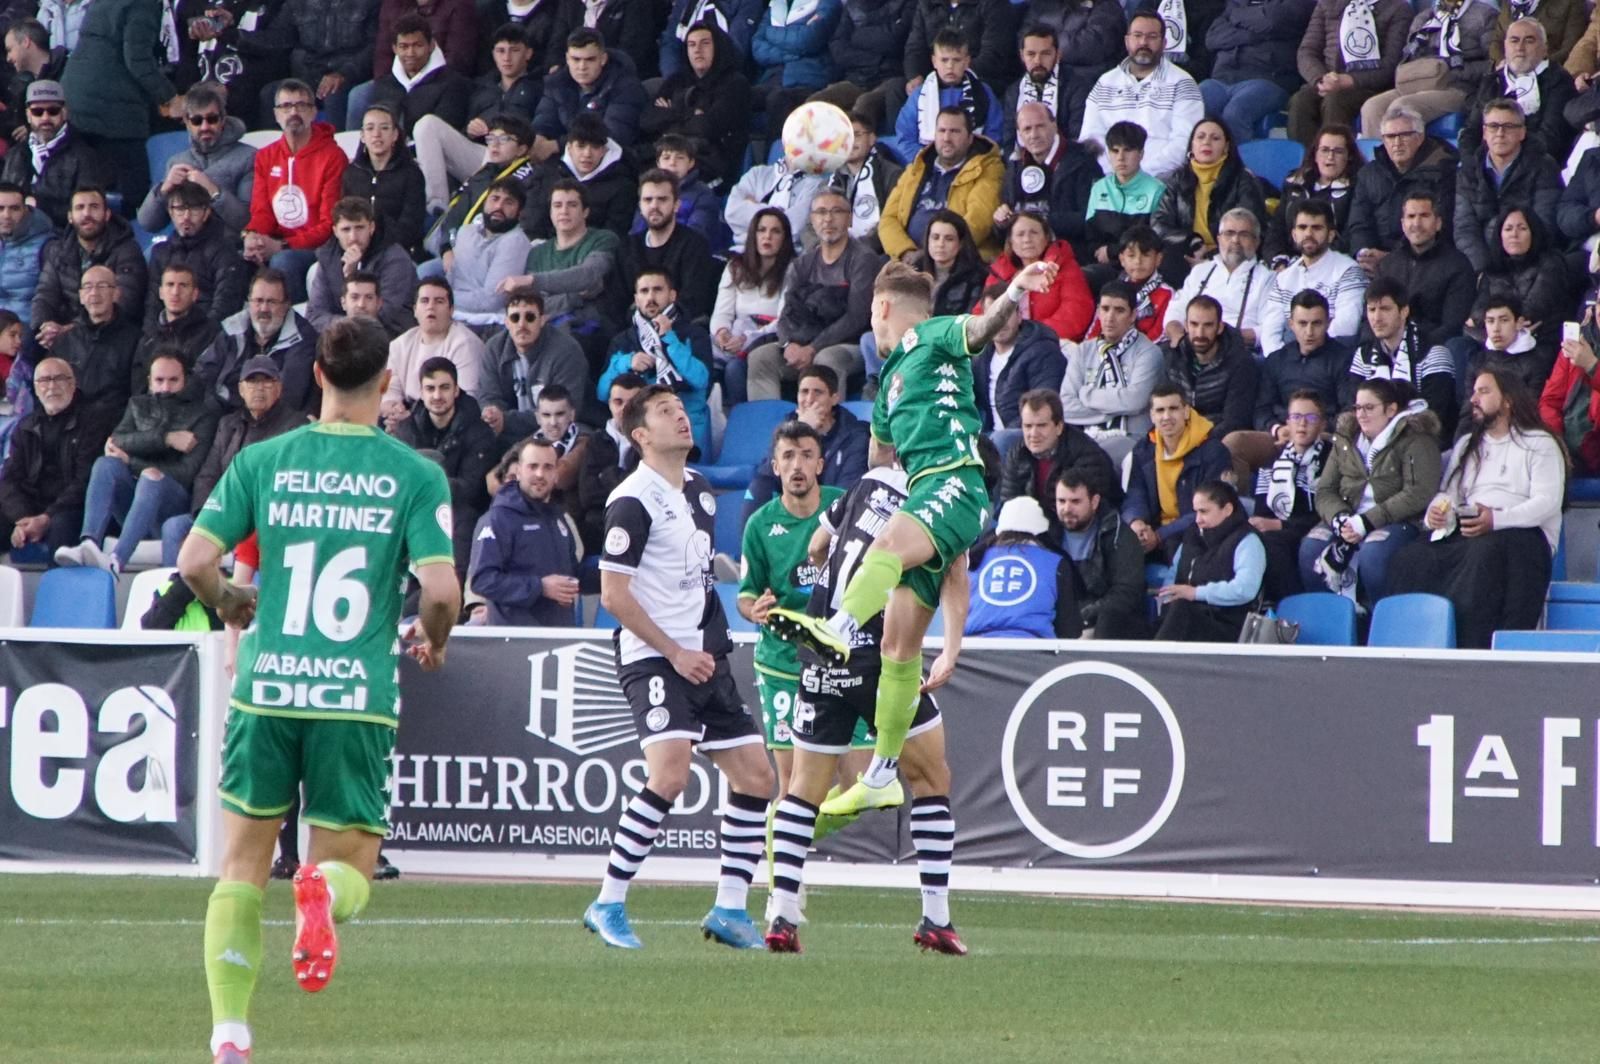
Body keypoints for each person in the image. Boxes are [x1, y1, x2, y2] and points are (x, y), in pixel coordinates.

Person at [177, 316, 459, 1064]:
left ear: (318, 378)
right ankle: (322, 900)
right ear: (388, 382)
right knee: (348, 867)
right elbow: (439, 588)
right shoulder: (415, 472)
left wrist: (232, 604)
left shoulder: (264, 460)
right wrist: (434, 637)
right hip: (353, 698)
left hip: (266, 688)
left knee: (239, 870)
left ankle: (230, 1034)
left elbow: (195, 559)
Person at [763, 258, 1058, 817]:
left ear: (880, 308)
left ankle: (839, 628)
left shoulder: (930, 334)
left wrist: (1015, 288)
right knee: (900, 651)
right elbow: (878, 463)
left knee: (886, 551)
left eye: (873, 314)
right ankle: (881, 773)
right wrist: (952, 647)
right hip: (927, 493)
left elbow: (979, 329)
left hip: (956, 479)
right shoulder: (887, 391)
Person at [582, 384, 776, 952]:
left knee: (756, 778)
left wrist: (733, 606)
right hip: (658, 660)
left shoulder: (700, 489)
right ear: (640, 435)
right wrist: (674, 652)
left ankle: (731, 910)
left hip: (705, 657)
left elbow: (694, 572)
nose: (682, 418)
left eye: (682, 409)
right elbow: (613, 596)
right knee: (669, 775)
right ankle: (608, 901)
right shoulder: (631, 501)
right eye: (666, 413)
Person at [764, 456, 970, 955]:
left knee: (802, 788)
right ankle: (935, 918)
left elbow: (817, 543)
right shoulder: (947, 500)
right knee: (930, 779)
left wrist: (828, 572)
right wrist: (951, 648)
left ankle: (781, 914)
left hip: (821, 643)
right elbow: (955, 578)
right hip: (883, 651)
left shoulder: (869, 480)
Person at [1390, 368, 1565, 648]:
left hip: (1521, 536)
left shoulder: (1540, 443)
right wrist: (1437, 512)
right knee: (1411, 557)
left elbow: (1547, 503)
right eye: (1474, 391)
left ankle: (1475, 647)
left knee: (1483, 553)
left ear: (1508, 400)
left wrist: (1495, 519)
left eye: (1484, 391)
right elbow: (1449, 494)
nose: (1474, 398)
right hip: (1470, 527)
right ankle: (1419, 643)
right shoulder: (1467, 445)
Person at [738, 421, 845, 800]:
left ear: (820, 464)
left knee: (858, 780)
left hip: (840, 661)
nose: (797, 465)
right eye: (788, 456)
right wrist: (755, 611)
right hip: (782, 662)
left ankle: (793, 832)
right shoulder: (760, 524)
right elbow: (746, 595)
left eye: (806, 455)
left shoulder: (844, 507)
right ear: (775, 465)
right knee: (793, 784)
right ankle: (782, 851)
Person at [55, 353, 220, 575]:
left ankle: (116, 560)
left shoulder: (202, 414)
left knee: (151, 476)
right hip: (134, 506)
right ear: (149, 381)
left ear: (185, 380)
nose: (165, 387)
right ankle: (90, 543)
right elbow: (116, 442)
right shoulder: (137, 405)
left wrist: (132, 461)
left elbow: (187, 473)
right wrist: (167, 439)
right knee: (106, 464)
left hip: (173, 506)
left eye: (173, 380)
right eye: (159, 380)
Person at [1300, 376, 1440, 601]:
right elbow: (1325, 490)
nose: (1361, 414)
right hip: (1349, 517)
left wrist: (1367, 521)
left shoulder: (1416, 438)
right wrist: (1340, 518)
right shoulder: (1346, 439)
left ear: (1391, 409)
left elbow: (1418, 492)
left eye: (1369, 407)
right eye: (1357, 408)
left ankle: (1376, 618)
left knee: (1374, 553)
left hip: (1398, 520)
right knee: (1311, 546)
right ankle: (1332, 621)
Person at [159, 356, 308, 566]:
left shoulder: (295, 425)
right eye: (252, 382)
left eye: (266, 381)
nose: (259, 388)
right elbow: (207, 475)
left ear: (279, 387)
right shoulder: (228, 424)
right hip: (223, 511)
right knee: (173, 527)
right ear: (241, 389)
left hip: (262, 517)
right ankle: (175, 593)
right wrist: (207, 515)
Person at [748, 189, 882, 401]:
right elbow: (786, 314)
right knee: (760, 357)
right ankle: (769, 428)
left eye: (836, 211)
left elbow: (857, 317)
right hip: (804, 343)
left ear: (849, 219)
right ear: (812, 220)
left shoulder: (863, 259)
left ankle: (827, 427)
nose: (828, 219)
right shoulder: (802, 263)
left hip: (850, 344)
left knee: (826, 359)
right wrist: (787, 344)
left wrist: (813, 347)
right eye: (821, 212)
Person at [57, 0, 179, 206]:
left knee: (87, 185)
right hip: (113, 110)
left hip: (76, 100)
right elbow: (138, 61)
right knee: (136, 191)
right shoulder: (143, 5)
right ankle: (128, 235)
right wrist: (170, 97)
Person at [1226, 289, 1355, 482]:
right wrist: (1278, 429)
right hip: (1282, 437)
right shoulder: (1277, 360)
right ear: (1291, 324)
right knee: (1234, 443)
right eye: (1302, 323)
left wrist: (1310, 430)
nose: (1309, 332)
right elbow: (1261, 409)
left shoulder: (1344, 359)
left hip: (1325, 437)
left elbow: (1349, 410)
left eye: (1317, 323)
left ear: (1328, 323)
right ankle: (1237, 509)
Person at [391, 355, 501, 576]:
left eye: (444, 388)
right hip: (413, 510)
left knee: (463, 515)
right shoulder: (406, 430)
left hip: (459, 514)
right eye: (430, 389)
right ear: (421, 392)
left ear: (456, 390)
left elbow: (471, 490)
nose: (437, 395)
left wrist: (424, 484)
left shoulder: (478, 432)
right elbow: (397, 482)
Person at [243, 80, 349, 303]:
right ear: (275, 114)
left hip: (317, 247)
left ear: (313, 112)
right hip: (278, 243)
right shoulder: (265, 156)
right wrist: (253, 237)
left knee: (284, 262)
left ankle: (298, 330)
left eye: (301, 106)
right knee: (237, 261)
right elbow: (262, 212)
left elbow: (329, 225)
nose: (293, 112)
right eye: (286, 106)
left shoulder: (332, 156)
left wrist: (282, 246)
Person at [0, 357, 116, 555]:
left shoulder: (94, 421)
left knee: (61, 526)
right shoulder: (25, 426)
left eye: (59, 378)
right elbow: (9, 479)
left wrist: (46, 518)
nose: (51, 386)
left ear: (73, 384)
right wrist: (23, 518)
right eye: (44, 381)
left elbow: (84, 481)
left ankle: (59, 584)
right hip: (31, 507)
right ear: (35, 388)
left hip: (72, 507)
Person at [597, 269, 715, 456]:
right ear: (636, 299)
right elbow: (603, 393)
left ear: (672, 295)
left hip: (689, 434)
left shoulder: (695, 334)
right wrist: (626, 363)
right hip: (639, 436)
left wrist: (670, 341)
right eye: (644, 291)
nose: (650, 297)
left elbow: (701, 380)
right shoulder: (623, 340)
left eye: (657, 290)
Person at [471, 435, 584, 625]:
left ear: (556, 474)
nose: (540, 474)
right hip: (514, 640)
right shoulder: (498, 519)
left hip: (560, 639)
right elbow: (483, 580)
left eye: (548, 467)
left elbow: (573, 571)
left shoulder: (559, 518)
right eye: (533, 466)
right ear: (519, 472)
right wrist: (540, 587)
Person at [1079, 12, 1205, 181]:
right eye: (1137, 36)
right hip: (1108, 180)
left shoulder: (1182, 82)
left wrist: (1139, 176)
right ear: (1126, 41)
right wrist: (1114, 174)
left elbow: (1184, 144)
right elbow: (1091, 139)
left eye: (1152, 37)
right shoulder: (1105, 83)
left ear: (1164, 43)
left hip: (1161, 180)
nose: (1143, 42)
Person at [509, 180, 621, 366]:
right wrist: (573, 297)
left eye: (572, 205)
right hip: (545, 324)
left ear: (585, 211)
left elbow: (588, 275)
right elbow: (535, 305)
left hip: (589, 328)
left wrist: (533, 281)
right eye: (557, 205)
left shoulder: (603, 239)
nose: (564, 211)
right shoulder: (538, 252)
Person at [1060, 280, 1167, 467]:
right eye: (1105, 308)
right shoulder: (1083, 351)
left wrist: (1087, 394)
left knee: (1093, 459)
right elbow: (1066, 407)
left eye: (1119, 310)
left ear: (1133, 315)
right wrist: (1115, 410)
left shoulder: (1149, 353)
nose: (1110, 317)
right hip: (1083, 435)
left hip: (1131, 438)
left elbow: (1135, 401)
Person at [1356, 0, 1498, 137]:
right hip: (1417, 84)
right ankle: (1381, 160)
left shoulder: (1485, 15)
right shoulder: (1425, 17)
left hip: (1457, 88)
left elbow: (1493, 64)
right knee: (1372, 107)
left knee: (1402, 107)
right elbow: (1409, 56)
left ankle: (1408, 159)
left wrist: (1454, 72)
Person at [1151, 119, 1269, 284]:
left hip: (1229, 252)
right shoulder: (1174, 180)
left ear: (1226, 147)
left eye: (1215, 138)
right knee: (1168, 259)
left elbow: (1247, 229)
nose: (1206, 142)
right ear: (1192, 144)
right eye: (1200, 137)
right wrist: (1192, 241)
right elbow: (1159, 225)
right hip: (1188, 250)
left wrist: (1211, 257)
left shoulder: (1243, 180)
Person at [742, 365, 870, 517]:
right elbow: (768, 475)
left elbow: (847, 491)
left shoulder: (855, 435)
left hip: (833, 520)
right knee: (758, 485)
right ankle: (750, 539)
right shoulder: (786, 427)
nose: (809, 399)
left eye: (818, 392)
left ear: (834, 398)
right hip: (794, 512)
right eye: (804, 392)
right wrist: (802, 429)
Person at [879, 106, 1003, 262]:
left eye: (954, 132)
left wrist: (934, 256)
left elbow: (978, 222)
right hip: (910, 258)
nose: (946, 138)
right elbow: (888, 219)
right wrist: (906, 252)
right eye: (942, 131)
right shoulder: (916, 169)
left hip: (961, 260)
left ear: (970, 138)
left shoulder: (988, 168)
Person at [1123, 383, 1234, 557]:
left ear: (1186, 411)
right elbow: (1135, 493)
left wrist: (1160, 535)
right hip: (1155, 531)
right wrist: (1137, 522)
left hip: (1199, 535)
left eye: (1173, 408)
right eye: (1160, 411)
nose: (1166, 417)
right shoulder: (1143, 450)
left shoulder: (1213, 451)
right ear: (1151, 416)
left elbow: (1210, 509)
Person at [1454, 99, 1563, 273]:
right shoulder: (1468, 170)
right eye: (1493, 126)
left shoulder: (1543, 166)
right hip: (1482, 265)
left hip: (1529, 262)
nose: (1500, 133)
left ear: (1522, 132)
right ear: (1484, 132)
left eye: (1508, 126)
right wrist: (1483, 270)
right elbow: (1464, 227)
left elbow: (1544, 224)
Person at [638, 21, 751, 187]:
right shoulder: (677, 79)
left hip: (709, 162)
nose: (697, 50)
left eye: (705, 43)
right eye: (691, 45)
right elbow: (647, 120)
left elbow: (707, 127)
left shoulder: (735, 83)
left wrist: (669, 114)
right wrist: (690, 114)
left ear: (718, 47)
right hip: (665, 156)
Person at [195, 270, 322, 415]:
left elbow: (290, 396)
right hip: (222, 415)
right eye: (258, 301)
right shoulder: (233, 328)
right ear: (249, 301)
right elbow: (202, 374)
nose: (264, 309)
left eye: (272, 302)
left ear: (286, 304)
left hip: (273, 421)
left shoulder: (303, 338)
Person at [1346, 102, 1460, 265]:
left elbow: (1442, 226)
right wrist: (1364, 253)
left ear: (1419, 137)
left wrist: (1391, 260)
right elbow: (1359, 222)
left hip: (1425, 261)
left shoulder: (1443, 171)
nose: (1397, 143)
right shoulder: (1369, 174)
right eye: (1390, 137)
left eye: (1404, 135)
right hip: (1372, 263)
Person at [137, 84, 258, 235]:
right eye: (197, 120)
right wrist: (163, 190)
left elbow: (247, 221)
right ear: (187, 122)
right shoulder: (177, 161)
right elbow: (148, 224)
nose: (205, 126)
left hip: (229, 248)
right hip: (185, 248)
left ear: (223, 120)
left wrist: (212, 190)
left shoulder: (249, 157)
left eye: (212, 119)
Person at [246, 0, 386, 131]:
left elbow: (374, 47)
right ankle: (278, 152)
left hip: (349, 76)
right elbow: (276, 39)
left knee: (333, 94)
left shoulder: (369, 2)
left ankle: (336, 152)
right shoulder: (296, 4)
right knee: (271, 93)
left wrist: (344, 73)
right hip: (309, 75)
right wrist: (236, 36)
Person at [1288, 0, 1410, 146]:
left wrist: (1348, 80)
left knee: (1335, 100)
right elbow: (1306, 52)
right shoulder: (1327, 4)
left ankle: (1338, 163)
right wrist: (1320, 79)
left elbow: (1391, 65)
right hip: (1326, 79)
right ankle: (1305, 165)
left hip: (1369, 85)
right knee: (1300, 101)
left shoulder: (1398, 8)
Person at [31, 186, 147, 339]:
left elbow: (124, 303)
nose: (87, 214)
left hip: (111, 333)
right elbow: (45, 295)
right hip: (64, 333)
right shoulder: (58, 250)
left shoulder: (127, 249)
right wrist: (44, 326)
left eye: (94, 207)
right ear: (70, 217)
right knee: (28, 341)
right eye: (80, 208)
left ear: (107, 214)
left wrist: (69, 330)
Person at [1345, 277, 1457, 435]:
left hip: (1421, 443)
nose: (1377, 318)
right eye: (1372, 310)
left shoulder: (1432, 353)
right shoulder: (1363, 355)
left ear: (1404, 311)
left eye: (1385, 309)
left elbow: (1436, 415)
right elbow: (1353, 407)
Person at [1155, 479, 1264, 640]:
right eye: (1196, 512)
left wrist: (1196, 593)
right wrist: (1166, 596)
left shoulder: (1247, 541)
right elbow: (1172, 577)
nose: (1198, 519)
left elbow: (1245, 589)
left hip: (1227, 625)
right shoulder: (1191, 536)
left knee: (1181, 609)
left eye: (1204, 511)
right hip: (1183, 619)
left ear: (1227, 509)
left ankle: (1155, 662)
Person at [1250, 389, 1331, 601]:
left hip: (1315, 528)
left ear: (1322, 424)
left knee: (1272, 542)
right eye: (1296, 417)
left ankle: (1292, 604)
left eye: (1310, 417)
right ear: (1287, 422)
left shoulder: (1332, 458)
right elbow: (1261, 510)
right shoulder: (1274, 460)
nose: (1302, 424)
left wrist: (1282, 525)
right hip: (1278, 530)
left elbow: (1327, 509)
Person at [480, 288, 591, 442]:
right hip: (507, 432)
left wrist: (506, 420)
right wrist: (492, 415)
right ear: (506, 322)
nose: (522, 324)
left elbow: (566, 410)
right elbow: (489, 396)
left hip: (559, 432)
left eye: (530, 317)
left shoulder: (567, 350)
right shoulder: (494, 348)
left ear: (542, 320)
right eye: (515, 318)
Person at [1256, 200, 1367, 353]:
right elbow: (1270, 330)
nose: (1308, 233)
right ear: (1294, 235)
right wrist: (1280, 361)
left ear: (1330, 235)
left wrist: (1307, 356)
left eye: (1316, 228)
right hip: (1287, 361)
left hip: (1330, 358)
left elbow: (1346, 326)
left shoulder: (1348, 271)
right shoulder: (1284, 278)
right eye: (1302, 227)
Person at [1200, 0, 1318, 142]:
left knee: (1235, 112)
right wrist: (1254, 35)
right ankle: (1192, 164)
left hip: (1269, 79)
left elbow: (1272, 21)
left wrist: (1236, 18)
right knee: (1193, 105)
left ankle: (1237, 164)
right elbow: (1212, 38)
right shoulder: (1236, 2)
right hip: (1222, 78)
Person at [1461, 19, 1577, 163]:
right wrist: (1474, 165)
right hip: (1487, 165)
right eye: (1514, 41)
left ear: (1544, 48)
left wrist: (1504, 163)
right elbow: (1471, 131)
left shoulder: (1559, 81)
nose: (1520, 48)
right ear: (1505, 46)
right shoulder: (1492, 81)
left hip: (1537, 168)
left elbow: (1551, 139)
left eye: (1529, 41)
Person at [1370, 191, 1475, 349]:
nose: (1417, 224)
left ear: (1438, 223)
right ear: (1402, 223)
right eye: (1411, 217)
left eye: (1424, 216)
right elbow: (1372, 314)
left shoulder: (1458, 265)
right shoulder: (1387, 265)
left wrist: (1412, 347)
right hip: (1387, 349)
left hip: (1433, 350)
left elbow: (1452, 326)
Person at [966, 495, 1081, 638]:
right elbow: (1070, 630)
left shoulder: (974, 560)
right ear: (1042, 531)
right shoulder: (1056, 562)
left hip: (973, 652)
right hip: (1033, 654)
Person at [1054, 468, 1149, 638]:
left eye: (1075, 501)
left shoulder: (1118, 534)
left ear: (1094, 501)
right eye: (1061, 501)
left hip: (1103, 626)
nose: (1066, 508)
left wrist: (1082, 617)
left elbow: (1126, 593)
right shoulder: (1047, 533)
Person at [712, 207, 793, 406]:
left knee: (734, 369)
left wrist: (746, 339)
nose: (767, 236)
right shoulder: (735, 267)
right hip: (735, 338)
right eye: (761, 230)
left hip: (770, 338)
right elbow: (722, 312)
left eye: (775, 231)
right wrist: (722, 332)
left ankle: (747, 421)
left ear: (785, 238)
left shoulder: (793, 269)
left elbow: (784, 319)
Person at [887, 27, 1003, 165]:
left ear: (967, 61)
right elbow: (905, 137)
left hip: (974, 166)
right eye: (944, 60)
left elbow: (994, 134)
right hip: (927, 166)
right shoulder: (920, 95)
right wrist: (928, 164)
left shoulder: (983, 92)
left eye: (956, 60)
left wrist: (972, 162)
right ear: (934, 61)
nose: (950, 66)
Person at [0, 80, 106, 230]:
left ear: (64, 112)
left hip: (61, 238)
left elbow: (87, 211)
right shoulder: (14, 155)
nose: (45, 118)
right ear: (28, 115)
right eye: (38, 112)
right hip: (13, 241)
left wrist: (38, 208)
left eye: (53, 111)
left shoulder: (84, 155)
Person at [308, 197, 420, 338]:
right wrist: (346, 325)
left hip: (390, 336)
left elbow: (387, 312)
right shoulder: (327, 257)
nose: (353, 237)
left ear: (371, 228)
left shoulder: (395, 257)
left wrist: (353, 276)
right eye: (346, 229)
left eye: (359, 228)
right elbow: (315, 315)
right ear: (335, 231)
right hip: (341, 337)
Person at [427, 113, 538, 253]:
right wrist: (447, 248)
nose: (495, 144)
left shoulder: (534, 177)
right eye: (491, 138)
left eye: (504, 139)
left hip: (496, 250)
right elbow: (456, 213)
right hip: (460, 248)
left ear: (522, 149)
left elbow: (529, 223)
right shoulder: (484, 173)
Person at [1162, 209, 1271, 353]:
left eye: (1244, 235)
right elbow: (1175, 312)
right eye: (1229, 233)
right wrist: (1179, 339)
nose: (1235, 240)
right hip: (1192, 349)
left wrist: (1217, 339)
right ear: (1219, 239)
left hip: (1240, 355)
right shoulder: (1200, 271)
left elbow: (1268, 330)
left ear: (1257, 242)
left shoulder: (1267, 278)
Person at [146, 182, 251, 331]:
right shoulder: (160, 252)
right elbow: (152, 305)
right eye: (180, 209)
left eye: (194, 209)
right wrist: (151, 339)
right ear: (170, 212)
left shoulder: (224, 251)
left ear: (206, 212)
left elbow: (225, 304)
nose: (186, 217)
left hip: (207, 335)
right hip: (166, 335)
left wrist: (200, 336)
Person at [997, 100, 1098, 253]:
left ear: (1054, 125)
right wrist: (1000, 223)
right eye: (1027, 129)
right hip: (1024, 258)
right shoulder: (1014, 166)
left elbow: (1091, 219)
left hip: (1070, 255)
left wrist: (1042, 220)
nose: (1034, 135)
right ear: (1019, 134)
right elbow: (1007, 229)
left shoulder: (1083, 161)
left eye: (1040, 126)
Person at [1473, 206, 1570, 364]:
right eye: (1508, 229)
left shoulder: (1551, 263)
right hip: (1498, 340)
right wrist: (1500, 328)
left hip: (1542, 341)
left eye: (1522, 228)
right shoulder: (1492, 270)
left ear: (1533, 233)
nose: (1514, 234)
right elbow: (1478, 312)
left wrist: (1498, 326)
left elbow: (1532, 312)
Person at [532, 28, 646, 161]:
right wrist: (537, 139)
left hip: (613, 163)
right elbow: (544, 121)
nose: (582, 66)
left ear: (603, 59)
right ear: (567, 59)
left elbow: (613, 137)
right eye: (576, 59)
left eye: (590, 59)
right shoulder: (556, 83)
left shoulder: (626, 87)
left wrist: (557, 145)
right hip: (565, 160)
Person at [381, 280, 490, 419]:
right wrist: (393, 408)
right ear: (415, 310)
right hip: (404, 414)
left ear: (451, 310)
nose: (431, 307)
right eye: (425, 301)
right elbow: (387, 388)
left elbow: (466, 401)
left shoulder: (465, 344)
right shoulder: (399, 344)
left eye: (439, 301)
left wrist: (410, 422)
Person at [522, 111, 638, 241]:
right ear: (570, 148)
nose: (587, 153)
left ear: (604, 150)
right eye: (581, 146)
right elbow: (533, 223)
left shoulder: (622, 186)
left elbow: (614, 236)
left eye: (595, 147)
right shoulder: (547, 175)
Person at [622, 169, 719, 322]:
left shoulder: (695, 245)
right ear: (640, 206)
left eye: (662, 199)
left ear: (676, 205)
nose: (654, 205)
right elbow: (617, 300)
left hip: (681, 329)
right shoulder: (627, 247)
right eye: (648, 200)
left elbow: (694, 299)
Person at [998, 387, 1119, 509]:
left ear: (1059, 427)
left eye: (1042, 425)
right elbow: (1009, 503)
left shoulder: (1087, 455)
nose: (1033, 434)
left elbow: (1081, 512)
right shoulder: (1017, 453)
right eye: (1028, 426)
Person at [981, 211, 1092, 342]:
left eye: (1034, 233)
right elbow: (981, 312)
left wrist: (1030, 336)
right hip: (1003, 345)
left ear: (1046, 238)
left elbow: (1076, 314)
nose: (1027, 239)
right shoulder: (999, 272)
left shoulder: (1064, 267)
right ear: (1011, 242)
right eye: (1020, 234)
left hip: (1051, 345)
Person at [50, 264, 144, 416]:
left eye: (102, 286)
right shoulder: (64, 341)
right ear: (81, 296)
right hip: (70, 423)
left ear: (116, 294)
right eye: (88, 287)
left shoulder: (135, 340)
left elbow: (138, 395)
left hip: (112, 423)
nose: (94, 293)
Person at [972, 286, 1069, 433]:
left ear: (1019, 315)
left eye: (1007, 313)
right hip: (987, 437)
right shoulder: (980, 355)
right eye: (993, 315)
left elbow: (1044, 406)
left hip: (1025, 435)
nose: (1000, 322)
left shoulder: (1043, 352)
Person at [1163, 294, 1260, 436]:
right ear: (1186, 326)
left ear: (1220, 327)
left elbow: (1235, 422)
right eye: (1194, 324)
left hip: (1216, 442)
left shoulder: (1241, 363)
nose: (1200, 333)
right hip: (1176, 436)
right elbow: (1163, 408)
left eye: (1208, 325)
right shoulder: (1173, 356)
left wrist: (1194, 441)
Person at [340, 103, 428, 257]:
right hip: (355, 249)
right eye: (370, 128)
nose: (376, 134)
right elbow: (344, 218)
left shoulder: (412, 174)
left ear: (395, 135)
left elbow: (410, 226)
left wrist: (374, 249)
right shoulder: (351, 173)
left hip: (397, 252)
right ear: (362, 136)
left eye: (384, 128)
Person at [1267, 124, 1363, 260]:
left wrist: (1310, 262)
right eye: (1324, 150)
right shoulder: (1295, 184)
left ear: (1349, 157)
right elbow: (1277, 229)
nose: (1330, 157)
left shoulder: (1358, 189)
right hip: (1288, 263)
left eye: (1338, 151)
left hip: (1332, 263)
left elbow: (1350, 236)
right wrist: (1278, 260)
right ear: (1315, 155)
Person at [1082, 120, 1166, 274]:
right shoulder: (1099, 188)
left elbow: (1154, 239)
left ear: (1141, 154)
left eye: (1127, 150)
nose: (1120, 157)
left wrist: (1113, 251)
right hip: (1102, 264)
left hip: (1140, 266)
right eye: (1115, 150)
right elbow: (1090, 236)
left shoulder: (1156, 189)